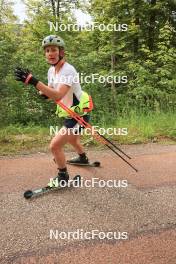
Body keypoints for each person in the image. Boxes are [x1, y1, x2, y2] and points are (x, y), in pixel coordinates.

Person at [14, 35, 93, 187]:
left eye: (54, 50)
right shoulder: (52, 70)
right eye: (48, 50)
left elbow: (58, 94)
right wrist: (41, 90)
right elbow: (50, 92)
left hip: (78, 115)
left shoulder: (68, 70)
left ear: (61, 52)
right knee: (71, 139)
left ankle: (63, 176)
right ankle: (83, 158)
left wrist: (35, 82)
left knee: (55, 146)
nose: (51, 53)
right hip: (69, 112)